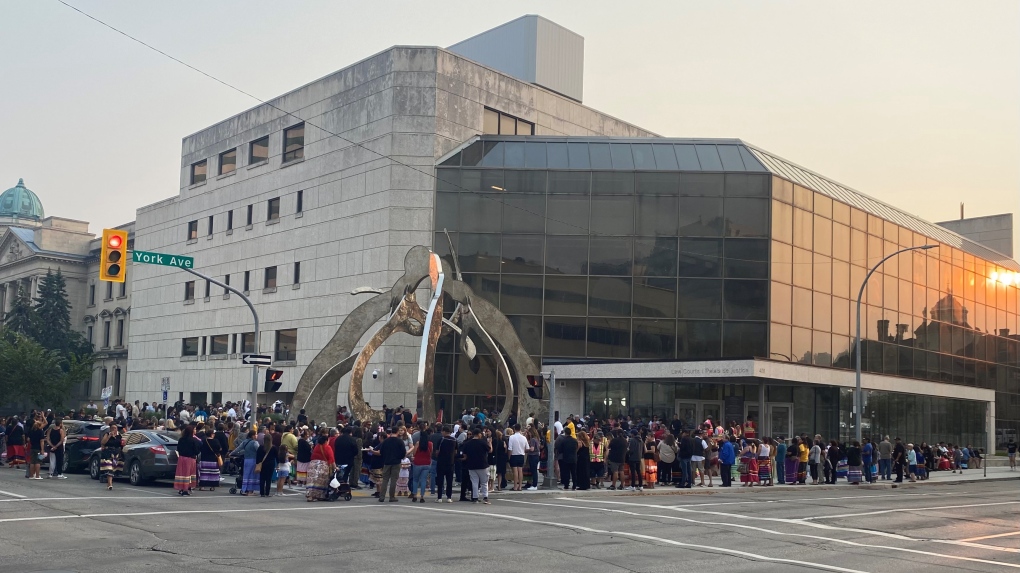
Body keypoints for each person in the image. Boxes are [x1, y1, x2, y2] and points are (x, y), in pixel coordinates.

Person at [461, 428, 492, 504]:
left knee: (474, 482)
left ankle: (475, 497)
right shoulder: (482, 442)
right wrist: (490, 443)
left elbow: (464, 455)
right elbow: (490, 450)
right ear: (479, 434)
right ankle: (485, 497)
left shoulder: (467, 443)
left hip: (471, 465)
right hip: (482, 465)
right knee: (484, 482)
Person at [375, 427, 406, 503]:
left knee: (385, 480)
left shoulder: (386, 441)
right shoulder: (400, 441)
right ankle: (392, 497)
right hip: (396, 462)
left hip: (387, 462)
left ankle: (382, 496)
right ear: (398, 432)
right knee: (393, 480)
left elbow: (381, 452)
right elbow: (403, 452)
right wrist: (399, 458)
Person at [306, 435, 335, 501]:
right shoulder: (328, 447)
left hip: (312, 465)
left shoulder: (316, 446)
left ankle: (310, 495)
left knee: (312, 481)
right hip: (322, 466)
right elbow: (331, 459)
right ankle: (320, 496)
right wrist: (335, 467)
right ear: (326, 441)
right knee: (321, 482)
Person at [232, 429, 260, 496]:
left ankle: (244, 489)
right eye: (256, 434)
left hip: (246, 460)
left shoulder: (245, 441)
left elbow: (238, 449)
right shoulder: (255, 443)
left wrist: (231, 453)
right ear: (253, 436)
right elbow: (259, 451)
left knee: (246, 475)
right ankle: (250, 491)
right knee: (252, 476)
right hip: (253, 460)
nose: (257, 435)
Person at [435, 425, 457, 502]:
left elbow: (437, 452)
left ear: (444, 431)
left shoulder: (441, 440)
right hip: (450, 462)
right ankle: (449, 497)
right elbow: (455, 451)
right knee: (449, 480)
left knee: (440, 480)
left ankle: (439, 497)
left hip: (441, 462)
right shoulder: (454, 440)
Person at [174, 426, 199, 495]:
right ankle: (186, 488)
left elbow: (178, 448)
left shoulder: (181, 439)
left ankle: (181, 488)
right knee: (189, 474)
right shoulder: (193, 440)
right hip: (190, 458)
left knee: (181, 474)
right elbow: (196, 451)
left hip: (181, 458)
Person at [410, 426, 432, 502]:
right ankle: (422, 496)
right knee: (423, 480)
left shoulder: (418, 443)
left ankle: (415, 495)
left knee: (415, 480)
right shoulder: (430, 444)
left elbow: (414, 453)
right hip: (426, 463)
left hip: (417, 463)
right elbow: (431, 453)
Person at [99, 422, 122, 490]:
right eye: (112, 428)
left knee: (114, 468)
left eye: (115, 428)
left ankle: (108, 481)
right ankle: (110, 484)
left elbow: (121, 443)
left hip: (116, 453)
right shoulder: (107, 434)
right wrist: (109, 436)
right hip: (108, 453)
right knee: (109, 468)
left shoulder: (119, 435)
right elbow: (103, 442)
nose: (114, 429)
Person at [507, 425, 528, 491]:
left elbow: (510, 448)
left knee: (515, 471)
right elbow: (527, 448)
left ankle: (515, 486)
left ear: (514, 429)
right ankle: (520, 486)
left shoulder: (512, 437)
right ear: (520, 429)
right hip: (521, 455)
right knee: (520, 470)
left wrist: (509, 456)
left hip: (514, 455)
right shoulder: (524, 438)